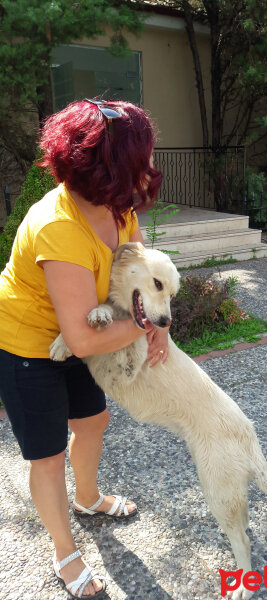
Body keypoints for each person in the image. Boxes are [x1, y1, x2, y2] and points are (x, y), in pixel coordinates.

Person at [0, 98, 169, 598]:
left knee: (93, 421)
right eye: (145, 155)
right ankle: (63, 550)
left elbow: (138, 267)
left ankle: (88, 498)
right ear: (114, 165)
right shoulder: (59, 226)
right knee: (47, 456)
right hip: (27, 343)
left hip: (74, 334)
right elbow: (82, 339)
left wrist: (158, 317)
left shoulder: (117, 206)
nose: (151, 167)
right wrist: (145, 326)